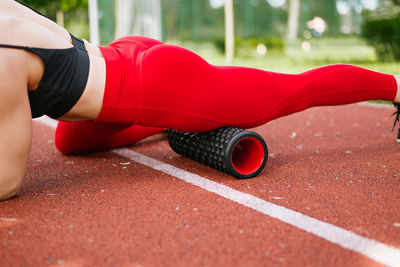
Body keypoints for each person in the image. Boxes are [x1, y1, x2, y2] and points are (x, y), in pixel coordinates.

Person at [0, 0, 399, 201]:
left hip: (159, 82)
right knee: (68, 143)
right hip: (119, 57)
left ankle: (393, 85)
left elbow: (9, 181)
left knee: (288, 90)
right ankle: (174, 122)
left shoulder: (4, 57)